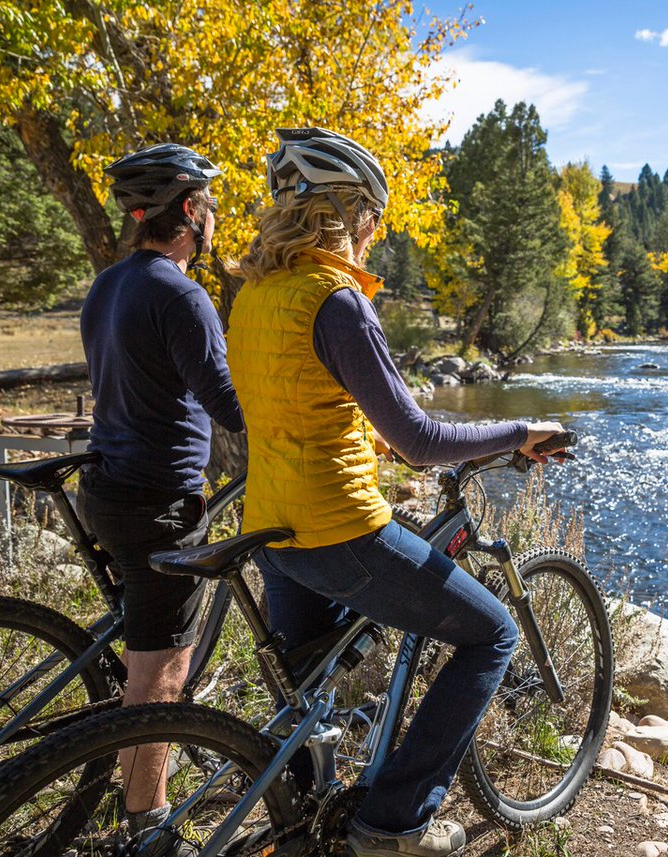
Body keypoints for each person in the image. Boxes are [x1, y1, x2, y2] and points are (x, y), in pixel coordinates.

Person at [226, 128, 567, 857]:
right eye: (371, 217)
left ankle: (302, 828)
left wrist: (368, 439)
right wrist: (518, 432)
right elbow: (422, 439)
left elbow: (296, 403)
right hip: (336, 529)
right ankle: (396, 822)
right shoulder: (336, 300)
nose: (373, 235)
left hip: (273, 531)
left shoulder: (254, 293)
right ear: (349, 214)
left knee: (310, 694)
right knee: (491, 634)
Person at [78, 143, 245, 851]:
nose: (213, 219)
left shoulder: (108, 284)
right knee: (159, 673)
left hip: (107, 487)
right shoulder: (182, 294)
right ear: (187, 212)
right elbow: (228, 405)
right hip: (158, 503)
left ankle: (130, 779)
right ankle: (147, 826)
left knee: (142, 648)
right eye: (207, 205)